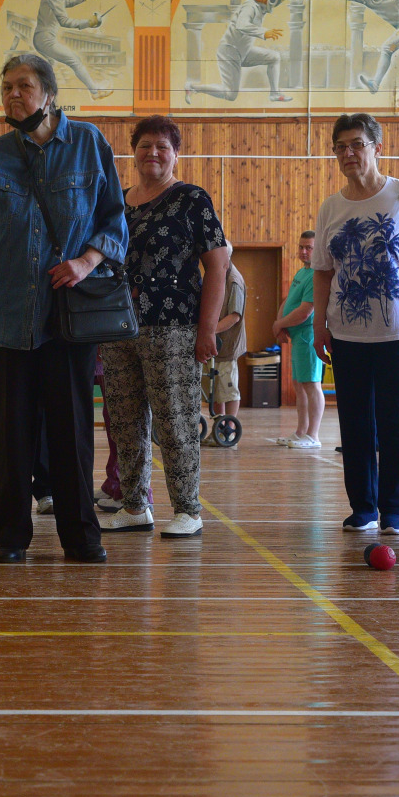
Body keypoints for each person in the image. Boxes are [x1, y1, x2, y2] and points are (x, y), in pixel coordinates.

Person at [0, 53, 127, 564]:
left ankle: (81, 536)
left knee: (73, 433)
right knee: (13, 433)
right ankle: (11, 537)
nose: (12, 95)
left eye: (23, 86)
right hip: (8, 316)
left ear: (48, 93)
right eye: (6, 88)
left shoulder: (87, 143)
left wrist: (86, 261)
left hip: (69, 317)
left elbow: (114, 221)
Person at [309, 114, 399, 536]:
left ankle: (394, 509)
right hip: (347, 335)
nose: (348, 153)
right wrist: (318, 325)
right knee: (355, 423)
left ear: (376, 147)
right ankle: (362, 508)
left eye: (357, 144)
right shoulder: (331, 206)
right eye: (340, 146)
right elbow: (324, 272)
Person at [101, 116, 227, 539]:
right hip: (119, 328)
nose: (152, 153)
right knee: (124, 419)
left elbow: (217, 265)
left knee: (175, 418)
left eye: (162, 146)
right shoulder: (118, 202)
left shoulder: (192, 199)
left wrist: (207, 328)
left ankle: (188, 508)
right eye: (144, 145)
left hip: (173, 327)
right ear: (133, 150)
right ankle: (135, 504)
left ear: (175, 153)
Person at [184, 0, 292, 104]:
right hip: (229, 51)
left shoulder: (261, 6)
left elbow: (275, 2)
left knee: (274, 57)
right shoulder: (250, 7)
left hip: (243, 51)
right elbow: (242, 25)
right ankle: (193, 87)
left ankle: (274, 94)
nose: (271, 7)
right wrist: (264, 32)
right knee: (230, 94)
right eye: (272, 2)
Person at [270, 229, 326, 449]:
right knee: (299, 385)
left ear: (317, 249)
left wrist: (279, 324)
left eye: (309, 247)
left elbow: (305, 311)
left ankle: (313, 435)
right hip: (296, 336)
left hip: (308, 336)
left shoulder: (316, 275)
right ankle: (301, 431)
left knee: (312, 384)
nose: (304, 251)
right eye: (301, 247)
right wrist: (279, 323)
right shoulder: (302, 272)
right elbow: (288, 301)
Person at [33, 0, 114, 101]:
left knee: (50, 66)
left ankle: (42, 97)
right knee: (74, 60)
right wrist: (89, 23)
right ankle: (95, 92)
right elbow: (64, 21)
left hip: (41, 38)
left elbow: (66, 1)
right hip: (45, 40)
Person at [205, 261, 247, 442]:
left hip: (228, 345)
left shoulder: (233, 280)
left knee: (228, 389)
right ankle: (218, 429)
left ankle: (229, 428)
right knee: (215, 389)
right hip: (215, 345)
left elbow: (234, 316)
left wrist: (209, 330)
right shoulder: (217, 274)